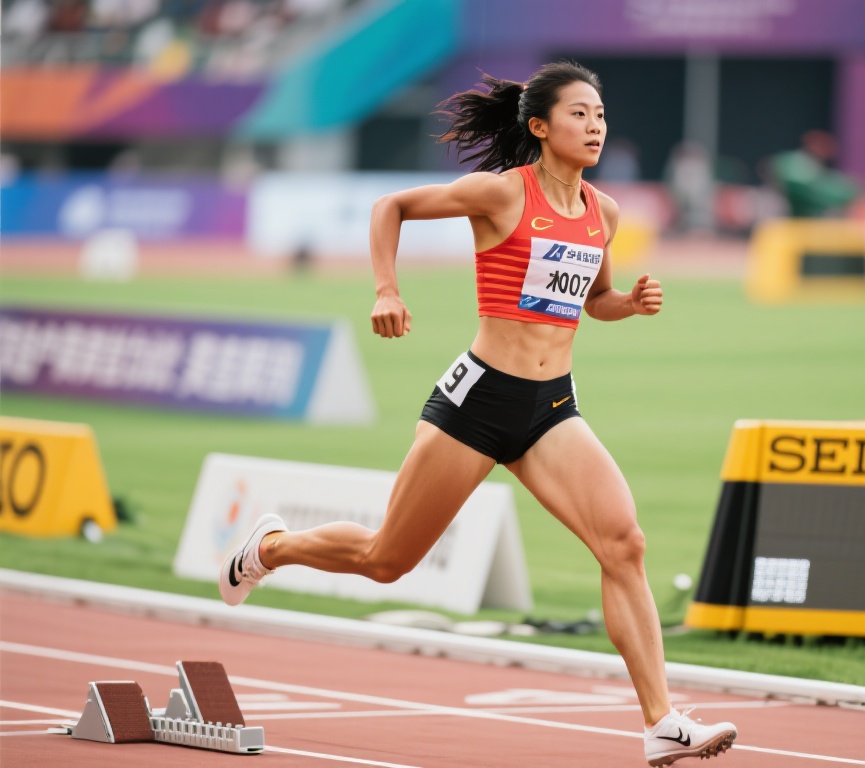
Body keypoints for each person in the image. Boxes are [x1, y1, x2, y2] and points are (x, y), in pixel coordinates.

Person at [218, 60, 737, 765]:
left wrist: (631, 305)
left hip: (552, 408)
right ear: (540, 126)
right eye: (579, 114)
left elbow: (595, 301)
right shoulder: (501, 194)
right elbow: (390, 207)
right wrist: (386, 290)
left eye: (600, 115)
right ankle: (271, 548)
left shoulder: (604, 212)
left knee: (625, 544)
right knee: (385, 560)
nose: (595, 127)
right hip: (478, 401)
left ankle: (660, 722)